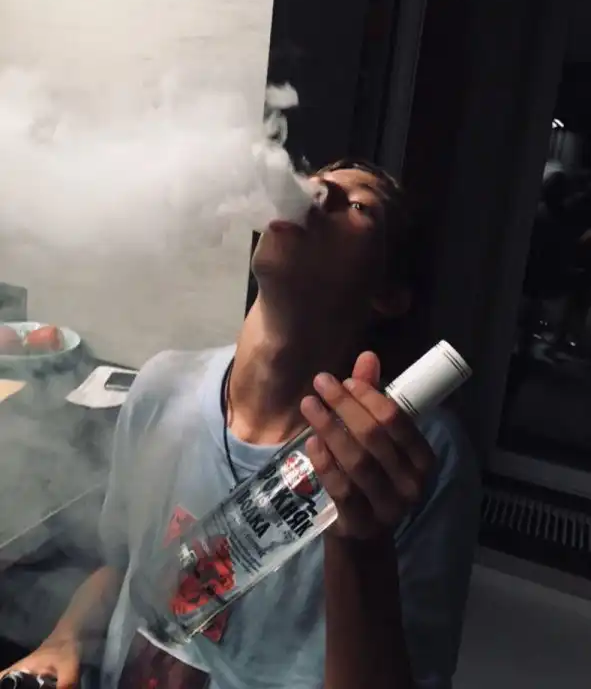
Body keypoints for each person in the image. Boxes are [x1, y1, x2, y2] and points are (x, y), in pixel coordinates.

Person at [1, 160, 481, 689]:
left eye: (359, 204)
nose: (317, 190)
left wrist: (360, 543)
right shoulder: (161, 386)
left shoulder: (412, 454)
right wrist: (64, 639)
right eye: (315, 178)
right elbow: (120, 569)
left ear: (388, 294)